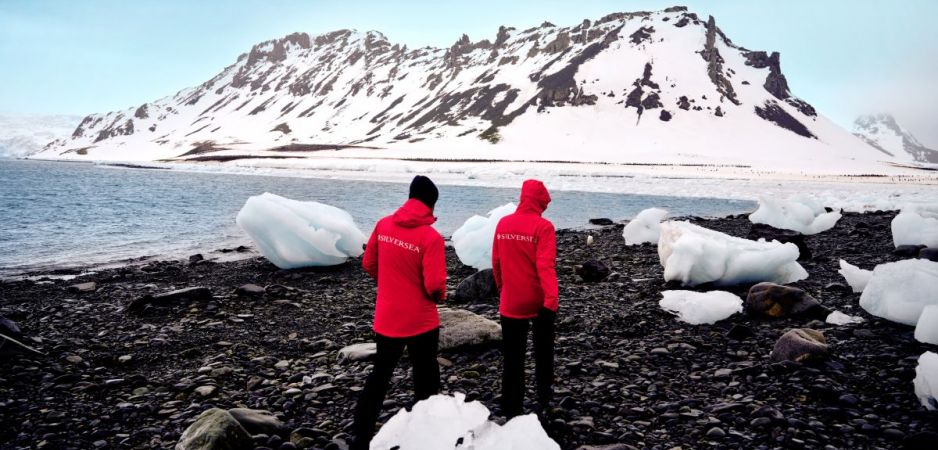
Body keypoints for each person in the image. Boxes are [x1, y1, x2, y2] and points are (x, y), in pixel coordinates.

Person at [351, 175, 447, 449]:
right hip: (420, 320)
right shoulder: (430, 237)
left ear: (410, 197)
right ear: (431, 203)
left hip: (388, 316)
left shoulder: (383, 225)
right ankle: (424, 434)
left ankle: (361, 434)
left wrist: (390, 284)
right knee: (426, 375)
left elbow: (368, 263)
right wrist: (438, 297)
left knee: (380, 374)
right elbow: (434, 285)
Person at [491, 179, 559, 419]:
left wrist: (502, 287)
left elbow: (496, 261)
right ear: (541, 200)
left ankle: (512, 407)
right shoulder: (544, 227)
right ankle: (544, 398)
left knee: (513, 356)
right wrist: (551, 300)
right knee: (543, 351)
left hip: (511, 300)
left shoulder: (503, 223)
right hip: (538, 300)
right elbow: (545, 266)